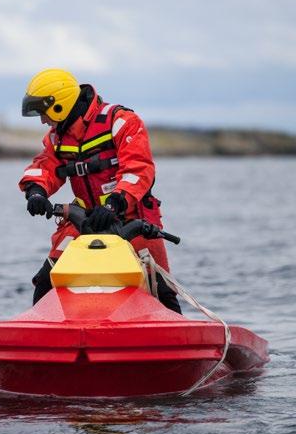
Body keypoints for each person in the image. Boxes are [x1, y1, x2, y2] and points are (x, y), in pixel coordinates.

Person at [19, 68, 181, 313]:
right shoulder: (57, 138)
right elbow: (45, 167)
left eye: (43, 113)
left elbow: (139, 170)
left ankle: (179, 338)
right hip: (84, 221)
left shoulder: (121, 121)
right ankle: (45, 332)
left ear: (59, 106)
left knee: (160, 288)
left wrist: (115, 203)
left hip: (132, 218)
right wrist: (36, 192)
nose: (43, 120)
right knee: (47, 279)